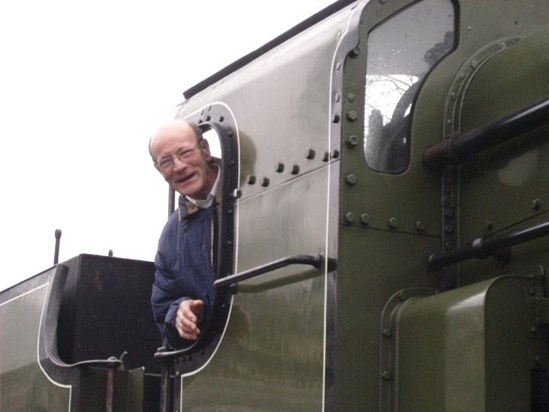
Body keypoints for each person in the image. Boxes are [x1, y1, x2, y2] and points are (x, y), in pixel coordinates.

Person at [149, 119, 221, 348]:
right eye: (166, 162)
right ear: (159, 171)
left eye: (185, 153)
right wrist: (179, 313)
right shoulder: (170, 238)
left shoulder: (255, 187)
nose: (179, 166)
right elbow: (164, 304)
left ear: (206, 150)